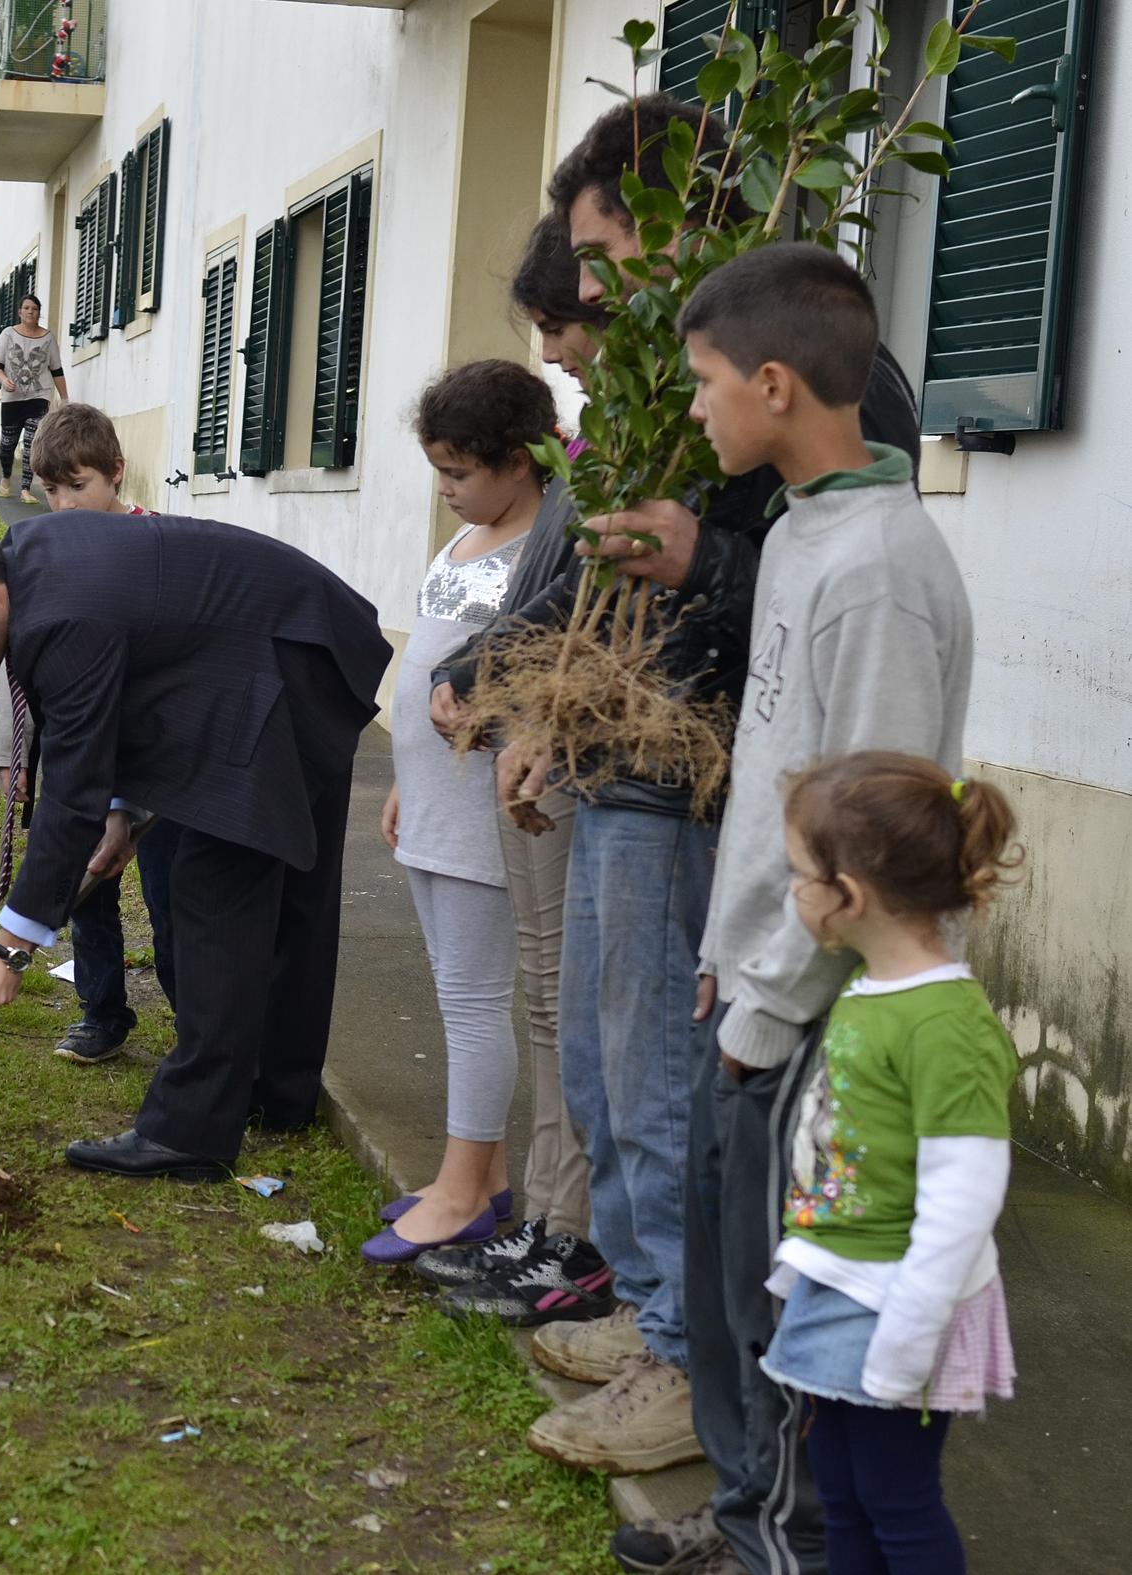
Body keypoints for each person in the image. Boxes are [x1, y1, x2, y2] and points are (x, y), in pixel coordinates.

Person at [490, 98, 927, 1505]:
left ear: (679, 210)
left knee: (663, 1084)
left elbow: (786, 612)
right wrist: (549, 707)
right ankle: (657, 1313)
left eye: (600, 252)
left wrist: (699, 567)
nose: (588, 287)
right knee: (612, 1071)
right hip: (634, 773)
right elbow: (621, 581)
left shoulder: (821, 391)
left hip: (700, 791)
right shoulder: (664, 385)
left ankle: (689, 1356)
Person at [676, 242, 974, 1575]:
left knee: (788, 1324)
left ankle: (781, 1544)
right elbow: (775, 782)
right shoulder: (803, 532)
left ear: (774, 384)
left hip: (817, 1022)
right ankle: (744, 1518)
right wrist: (723, 954)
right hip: (754, 980)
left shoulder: (880, 571)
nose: (695, 407)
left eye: (704, 381)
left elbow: (867, 844)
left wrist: (769, 1002)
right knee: (726, 1290)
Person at [0, 516, 391, 1178]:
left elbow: (70, 791)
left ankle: (192, 1132)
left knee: (215, 884)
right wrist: (120, 814)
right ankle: (277, 1091)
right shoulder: (28, 572)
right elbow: (114, 703)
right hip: (285, 645)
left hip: (286, 657)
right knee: (279, 876)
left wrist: (10, 947)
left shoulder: (57, 615)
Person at [418, 215, 609, 1312]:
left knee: (553, 999)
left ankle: (570, 1231)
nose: (551, 350)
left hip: (563, 765)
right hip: (513, 768)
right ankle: (549, 1217)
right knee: (544, 998)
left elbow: (569, 607)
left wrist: (478, 665)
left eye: (559, 323)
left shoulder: (587, 481)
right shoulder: (588, 468)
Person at [763, 754, 1016, 1575]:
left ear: (850, 894)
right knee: (842, 1488)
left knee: (897, 1501)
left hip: (898, 1304)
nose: (791, 890)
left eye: (800, 874)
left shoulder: (946, 1025)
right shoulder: (873, 989)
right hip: (845, 1283)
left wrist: (909, 1338)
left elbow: (963, 1199)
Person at [363, 363, 584, 1292]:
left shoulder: (550, 550)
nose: (447, 490)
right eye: (439, 472)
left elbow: (535, 671)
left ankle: (461, 1189)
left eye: (460, 472)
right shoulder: (467, 536)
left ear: (520, 461)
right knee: (453, 982)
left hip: (484, 807)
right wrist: (406, 777)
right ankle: (480, 1177)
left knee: (472, 997)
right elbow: (429, 655)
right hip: (433, 797)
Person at [0, 401, 176, 1064]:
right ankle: (101, 1012)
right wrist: (13, 757)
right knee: (85, 886)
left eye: (79, 485)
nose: (64, 505)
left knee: (171, 897)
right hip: (76, 755)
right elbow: (18, 661)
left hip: (158, 761)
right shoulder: (43, 557)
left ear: (117, 471)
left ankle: (196, 1021)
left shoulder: (159, 545)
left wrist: (130, 799)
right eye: (51, 489)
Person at [0, 294, 67, 503]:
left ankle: (25, 488)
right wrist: (4, 380)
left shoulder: (48, 338)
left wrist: (65, 399)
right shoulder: (8, 334)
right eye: (26, 308)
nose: (30, 312)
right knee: (7, 445)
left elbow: (57, 370)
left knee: (32, 442)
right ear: (20, 312)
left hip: (39, 396)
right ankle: (6, 478)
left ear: (39, 313)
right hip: (12, 398)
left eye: (34, 308)